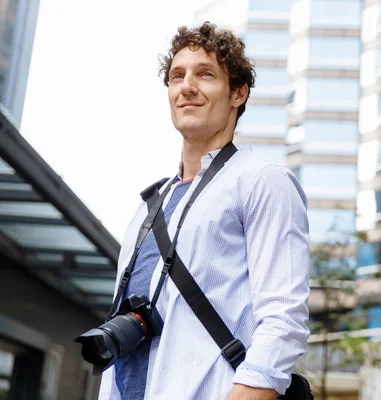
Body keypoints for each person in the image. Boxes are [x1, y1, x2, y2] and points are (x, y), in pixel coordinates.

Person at [98, 21, 310, 400]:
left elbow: (283, 319)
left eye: (206, 74)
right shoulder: (150, 204)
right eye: (177, 76)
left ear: (238, 93)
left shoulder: (262, 181)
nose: (187, 87)